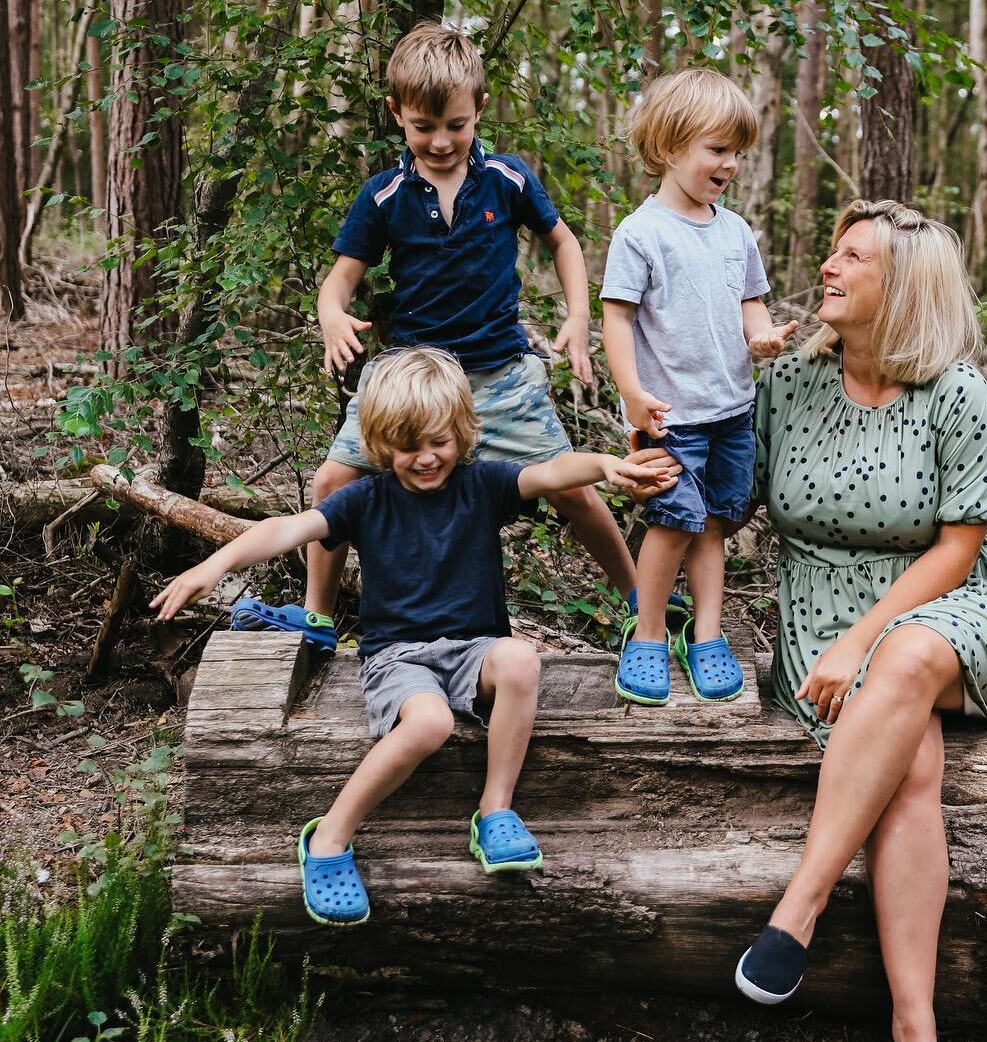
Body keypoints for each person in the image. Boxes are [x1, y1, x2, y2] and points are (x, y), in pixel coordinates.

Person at [150, 347, 678, 925]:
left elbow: (551, 472)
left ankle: (494, 812)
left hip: (474, 652)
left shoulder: (483, 485)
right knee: (429, 722)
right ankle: (328, 838)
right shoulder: (366, 498)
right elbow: (287, 528)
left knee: (523, 660)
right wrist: (212, 568)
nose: (426, 459)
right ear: (379, 443)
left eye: (439, 442)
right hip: (398, 658)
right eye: (407, 446)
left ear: (462, 433)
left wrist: (605, 465)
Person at [731, 201, 987, 1042]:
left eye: (850, 257)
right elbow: (723, 499)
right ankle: (917, 1040)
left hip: (947, 608)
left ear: (900, 286)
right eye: (832, 250)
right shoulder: (787, 382)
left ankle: (801, 908)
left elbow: (961, 547)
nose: (826, 267)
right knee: (913, 768)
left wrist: (863, 639)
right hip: (817, 614)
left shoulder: (957, 394)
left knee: (902, 661)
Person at [231, 22, 641, 650]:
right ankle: (317, 617)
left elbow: (562, 240)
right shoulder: (384, 196)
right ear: (397, 114)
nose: (441, 141)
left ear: (479, 106)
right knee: (331, 486)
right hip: (410, 381)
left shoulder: (506, 179)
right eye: (424, 127)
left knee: (575, 488)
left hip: (498, 375)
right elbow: (337, 282)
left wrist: (578, 315)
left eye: (455, 124)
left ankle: (641, 604)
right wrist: (333, 317)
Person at [600, 68, 796, 704]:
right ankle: (650, 634)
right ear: (668, 147)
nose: (731, 164)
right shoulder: (642, 233)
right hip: (671, 416)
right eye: (718, 150)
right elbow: (619, 318)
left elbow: (750, 303)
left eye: (738, 152)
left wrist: (761, 336)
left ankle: (706, 635)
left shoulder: (735, 231)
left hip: (731, 411)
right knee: (671, 521)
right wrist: (630, 391)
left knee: (712, 524)